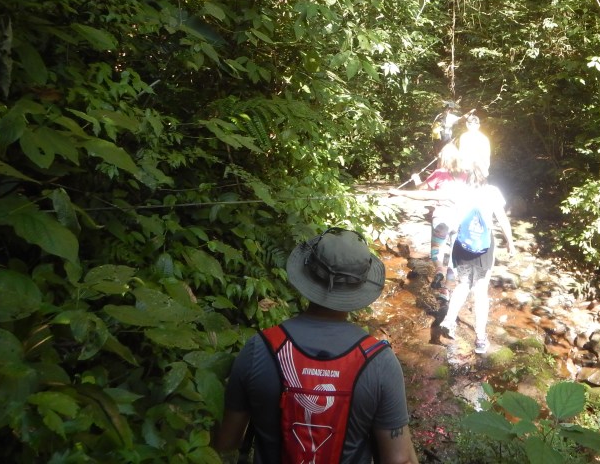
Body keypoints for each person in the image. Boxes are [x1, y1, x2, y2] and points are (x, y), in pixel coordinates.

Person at [213, 229, 419, 464]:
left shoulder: (259, 349)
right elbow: (398, 459)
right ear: (361, 287)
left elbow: (226, 442)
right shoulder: (379, 362)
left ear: (306, 275)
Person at [440, 182, 515, 355]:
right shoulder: (492, 191)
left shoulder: (460, 188)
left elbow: (452, 218)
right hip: (483, 246)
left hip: (463, 244)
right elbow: (502, 218)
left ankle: (449, 320)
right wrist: (510, 242)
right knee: (480, 290)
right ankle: (480, 338)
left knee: (463, 284)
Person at [391, 143, 469, 299]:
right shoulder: (464, 175)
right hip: (460, 219)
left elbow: (422, 190)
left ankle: (439, 270)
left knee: (436, 252)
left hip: (442, 217)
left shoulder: (439, 174)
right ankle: (446, 290)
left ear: (443, 158)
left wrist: (416, 179)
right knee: (453, 256)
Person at [457, 113, 490, 185]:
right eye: (470, 124)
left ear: (478, 125)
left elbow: (461, 155)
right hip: (474, 171)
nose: (472, 126)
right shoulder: (484, 138)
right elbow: (487, 157)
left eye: (474, 124)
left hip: (472, 171)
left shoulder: (464, 137)